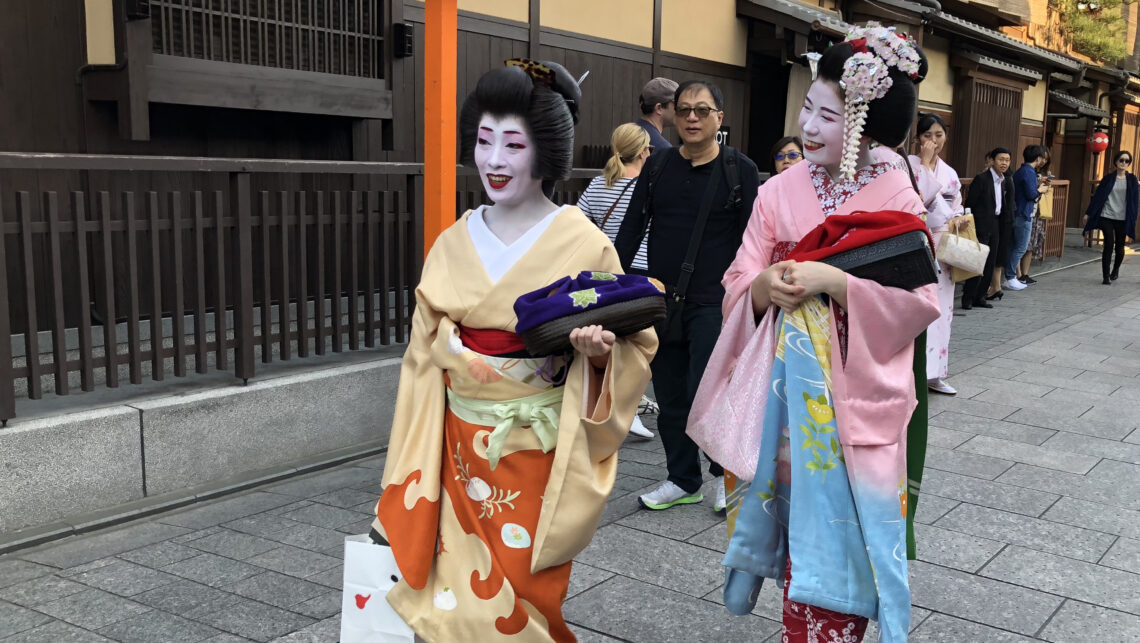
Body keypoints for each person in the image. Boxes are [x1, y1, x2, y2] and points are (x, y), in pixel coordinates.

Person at [371, 60, 655, 642]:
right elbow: (421, 362)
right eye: (483, 140)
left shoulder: (582, 241)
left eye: (513, 144)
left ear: (544, 152)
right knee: (451, 598)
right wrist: (404, 469)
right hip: (454, 453)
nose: (494, 160)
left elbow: (634, 346)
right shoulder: (453, 241)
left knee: (524, 595)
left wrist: (599, 356)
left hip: (538, 455)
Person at [718, 25, 939, 643]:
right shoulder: (778, 191)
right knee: (793, 533)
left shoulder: (898, 194)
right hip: (780, 404)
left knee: (837, 546)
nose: (809, 127)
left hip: (848, 409)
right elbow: (738, 276)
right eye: (807, 109)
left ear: (866, 127)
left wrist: (832, 281)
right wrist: (764, 288)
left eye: (829, 116)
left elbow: (917, 303)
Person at [615, 80, 762, 513]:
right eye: (683, 111)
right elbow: (631, 228)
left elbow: (753, 242)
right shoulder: (658, 166)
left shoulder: (740, 170)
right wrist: (613, 282)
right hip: (661, 299)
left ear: (720, 116)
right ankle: (683, 478)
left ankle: (721, 474)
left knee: (709, 391)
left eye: (701, 110)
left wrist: (747, 297)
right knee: (671, 394)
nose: (692, 118)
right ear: (673, 116)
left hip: (715, 303)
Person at [577, 123, 656, 438]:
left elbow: (579, 225)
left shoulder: (598, 184)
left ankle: (612, 406)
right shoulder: (649, 187)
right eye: (648, 148)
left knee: (614, 343)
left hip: (608, 273)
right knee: (639, 346)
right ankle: (629, 408)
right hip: (641, 272)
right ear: (641, 151)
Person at [908, 113, 965, 395]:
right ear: (918, 138)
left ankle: (936, 373)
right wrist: (926, 166)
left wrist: (959, 218)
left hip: (943, 246)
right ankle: (912, 372)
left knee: (942, 309)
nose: (933, 141)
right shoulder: (907, 165)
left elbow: (955, 207)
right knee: (915, 307)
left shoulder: (951, 173)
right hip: (916, 242)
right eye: (927, 135)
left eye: (939, 135)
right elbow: (915, 203)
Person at [963, 147, 1014, 306]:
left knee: (990, 262)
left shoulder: (1004, 180)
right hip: (981, 224)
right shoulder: (982, 178)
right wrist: (971, 224)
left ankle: (980, 297)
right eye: (1001, 159)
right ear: (992, 161)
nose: (1004, 163)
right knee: (977, 261)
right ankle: (968, 298)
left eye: (1007, 160)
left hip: (996, 223)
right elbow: (970, 203)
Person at [1083, 150, 1139, 284]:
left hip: (1123, 218)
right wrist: (1088, 213)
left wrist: (1133, 217)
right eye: (1121, 160)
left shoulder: (1132, 180)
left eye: (1127, 161)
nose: (1124, 163)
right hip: (1106, 215)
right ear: (1116, 162)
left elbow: (1135, 201)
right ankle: (1105, 276)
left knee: (1120, 247)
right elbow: (1097, 197)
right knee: (1108, 244)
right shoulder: (1108, 178)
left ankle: (1115, 270)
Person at [1007, 145, 1050, 289]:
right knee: (1020, 247)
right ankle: (1010, 276)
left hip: (1016, 212)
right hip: (1024, 213)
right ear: (1037, 158)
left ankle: (1011, 276)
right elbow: (1031, 194)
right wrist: (1042, 189)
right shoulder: (1029, 172)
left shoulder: (1021, 171)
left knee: (1014, 246)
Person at [635, 77, 678, 152]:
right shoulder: (662, 149)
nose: (680, 109)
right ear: (659, 108)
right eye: (676, 104)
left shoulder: (628, 133)